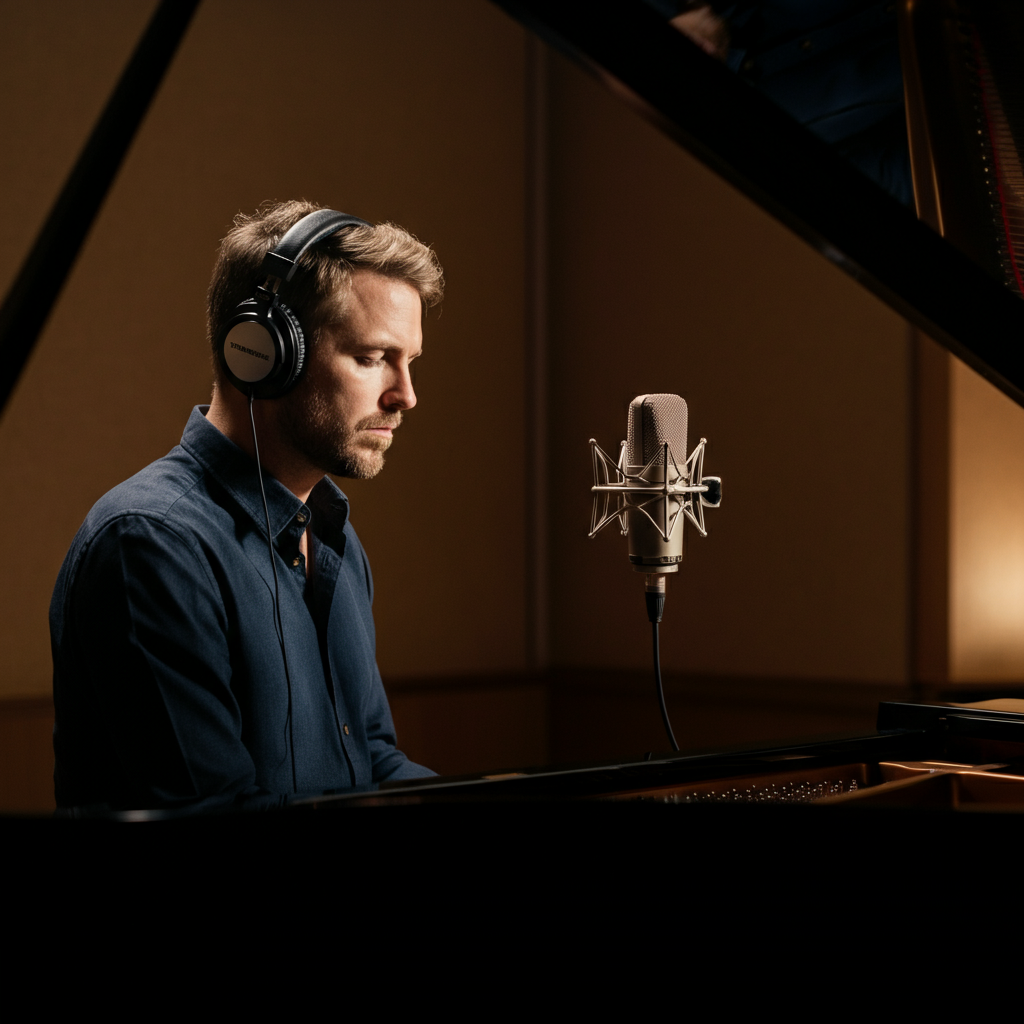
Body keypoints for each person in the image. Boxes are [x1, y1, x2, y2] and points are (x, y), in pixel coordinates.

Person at [49, 200, 443, 813]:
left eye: (409, 361)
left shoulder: (334, 536)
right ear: (260, 352)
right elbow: (212, 811)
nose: (406, 396)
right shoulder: (149, 546)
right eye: (371, 358)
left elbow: (368, 757)